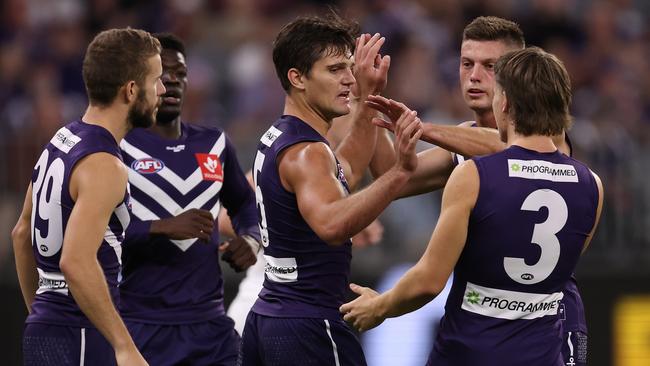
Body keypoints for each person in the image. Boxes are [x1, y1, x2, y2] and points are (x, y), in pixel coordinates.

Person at [341, 46, 604, 365]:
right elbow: (564, 267)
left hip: (470, 350)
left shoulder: (473, 175)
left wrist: (379, 306)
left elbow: (428, 281)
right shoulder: (592, 184)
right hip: (543, 353)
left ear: (505, 103)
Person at [237, 13, 422, 366]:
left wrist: (368, 102)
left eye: (350, 68)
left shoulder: (282, 137)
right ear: (298, 78)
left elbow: (346, 169)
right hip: (308, 324)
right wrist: (400, 172)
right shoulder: (307, 152)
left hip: (272, 315)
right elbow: (332, 226)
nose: (349, 81)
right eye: (335, 70)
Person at [12, 28, 164, 366]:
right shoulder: (104, 165)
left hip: (49, 330)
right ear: (131, 90)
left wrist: (41, 313)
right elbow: (76, 261)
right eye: (156, 81)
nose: (163, 91)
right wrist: (125, 346)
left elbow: (22, 234)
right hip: (80, 333)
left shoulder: (62, 138)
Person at [118, 33, 260, 366]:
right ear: (137, 82)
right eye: (162, 73)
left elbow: (245, 204)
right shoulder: (117, 148)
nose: (173, 81)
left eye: (180, 74)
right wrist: (160, 227)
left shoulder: (214, 144)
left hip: (210, 324)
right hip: (141, 323)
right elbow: (97, 234)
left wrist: (251, 240)